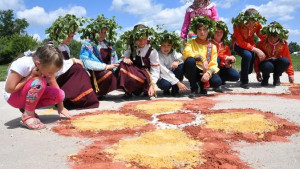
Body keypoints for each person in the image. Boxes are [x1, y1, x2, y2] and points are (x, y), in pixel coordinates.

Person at [3, 45, 71, 130]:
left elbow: (53, 83)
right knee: (39, 82)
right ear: (38, 64)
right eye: (50, 72)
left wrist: (61, 107)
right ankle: (27, 116)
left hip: (26, 94)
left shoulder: (45, 65)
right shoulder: (24, 64)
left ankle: (27, 108)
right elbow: (9, 89)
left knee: (60, 94)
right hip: (13, 97)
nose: (51, 74)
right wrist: (30, 76)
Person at [46, 14, 99, 109]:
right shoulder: (50, 47)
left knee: (81, 70)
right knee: (77, 67)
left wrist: (82, 69)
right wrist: (73, 61)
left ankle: (81, 98)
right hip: (54, 79)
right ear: (61, 33)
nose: (72, 39)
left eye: (72, 36)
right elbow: (54, 69)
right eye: (69, 36)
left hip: (63, 76)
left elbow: (67, 65)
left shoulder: (65, 48)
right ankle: (65, 99)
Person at [80, 15, 120, 99]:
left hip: (107, 69)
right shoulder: (87, 44)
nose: (102, 35)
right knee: (107, 74)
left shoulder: (109, 45)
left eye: (105, 32)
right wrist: (106, 66)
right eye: (100, 32)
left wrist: (116, 68)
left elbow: (114, 59)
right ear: (94, 32)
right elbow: (86, 62)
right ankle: (96, 92)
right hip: (94, 72)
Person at [183, 16, 222, 98]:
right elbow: (187, 52)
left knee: (217, 82)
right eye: (199, 30)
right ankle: (194, 88)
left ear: (209, 31)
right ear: (196, 31)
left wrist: (208, 73)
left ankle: (203, 84)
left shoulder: (212, 46)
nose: (202, 32)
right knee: (189, 60)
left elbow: (214, 64)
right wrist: (202, 59)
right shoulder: (191, 42)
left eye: (205, 29)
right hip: (194, 71)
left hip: (206, 71)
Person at [118, 24, 160, 99]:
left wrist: (152, 85)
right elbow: (122, 58)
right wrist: (125, 58)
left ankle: (146, 88)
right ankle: (128, 91)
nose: (142, 42)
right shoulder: (131, 47)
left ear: (147, 37)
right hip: (134, 72)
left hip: (145, 76)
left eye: (144, 39)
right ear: (135, 38)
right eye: (139, 39)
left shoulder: (152, 51)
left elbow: (155, 70)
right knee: (122, 64)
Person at [232, 8, 267, 89]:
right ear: (244, 19)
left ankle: (242, 74)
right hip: (238, 44)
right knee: (247, 55)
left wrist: (279, 38)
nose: (251, 25)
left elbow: (262, 36)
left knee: (249, 70)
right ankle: (244, 82)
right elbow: (240, 42)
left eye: (253, 22)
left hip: (250, 45)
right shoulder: (237, 25)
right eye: (248, 22)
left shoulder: (257, 24)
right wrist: (256, 50)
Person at [255, 21, 294, 86]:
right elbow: (256, 58)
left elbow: (288, 59)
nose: (272, 38)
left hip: (277, 63)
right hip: (266, 64)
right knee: (267, 66)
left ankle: (276, 77)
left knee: (285, 61)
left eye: (275, 36)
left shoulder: (283, 44)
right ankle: (265, 77)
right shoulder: (261, 43)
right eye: (270, 35)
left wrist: (290, 74)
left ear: (279, 35)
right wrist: (257, 72)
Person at [154, 30, 188, 96]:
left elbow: (181, 58)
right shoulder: (157, 54)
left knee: (180, 65)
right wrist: (178, 82)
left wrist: (177, 61)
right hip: (163, 76)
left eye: (168, 45)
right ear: (160, 45)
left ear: (172, 45)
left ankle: (175, 90)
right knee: (166, 85)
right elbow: (164, 71)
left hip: (173, 73)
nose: (166, 48)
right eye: (163, 45)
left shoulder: (173, 52)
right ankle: (166, 90)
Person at [212, 21, 240, 87]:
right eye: (216, 31)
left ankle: (221, 79)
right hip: (213, 68)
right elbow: (214, 54)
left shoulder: (225, 45)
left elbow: (229, 56)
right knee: (217, 59)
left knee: (236, 76)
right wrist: (226, 57)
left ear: (223, 33)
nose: (218, 33)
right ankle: (214, 79)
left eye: (221, 32)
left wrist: (229, 63)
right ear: (212, 32)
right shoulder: (209, 43)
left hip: (223, 67)